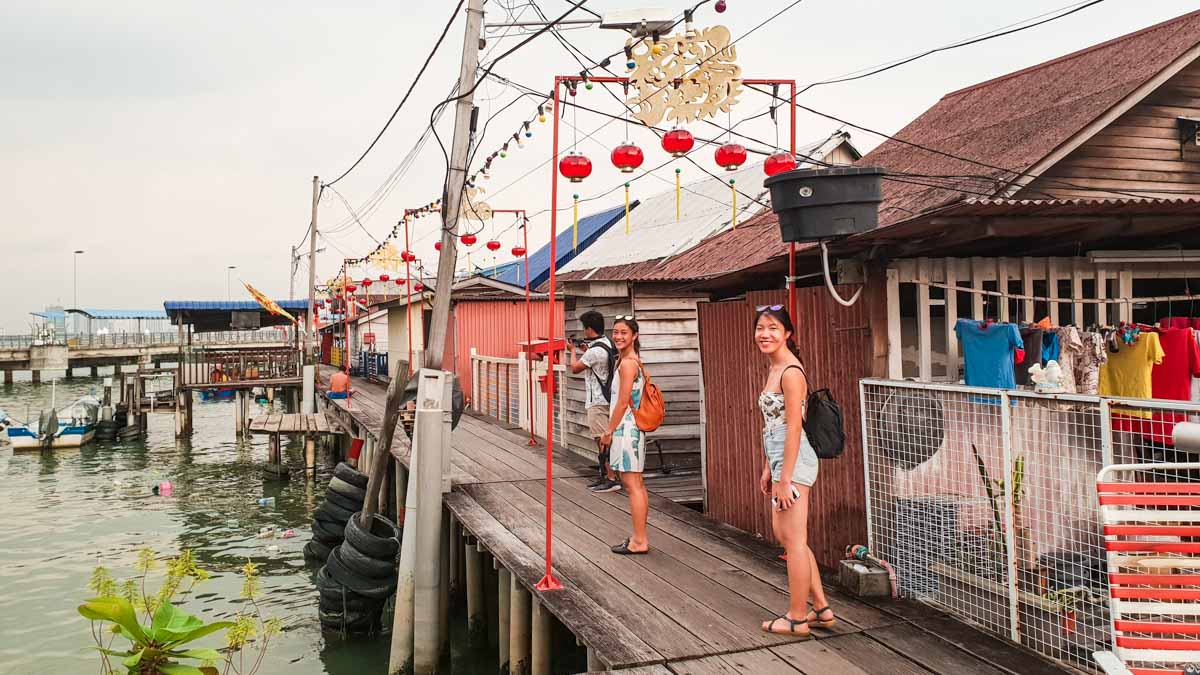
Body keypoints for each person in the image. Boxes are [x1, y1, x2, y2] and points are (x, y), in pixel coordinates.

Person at [754, 305, 834, 638]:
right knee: (788, 535)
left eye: (773, 328)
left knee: (794, 541)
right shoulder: (774, 368)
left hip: (795, 461)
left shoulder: (790, 372)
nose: (765, 334)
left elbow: (793, 430)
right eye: (760, 327)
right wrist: (767, 468)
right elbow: (771, 425)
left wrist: (785, 478)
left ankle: (798, 618)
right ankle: (822, 610)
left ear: (787, 333)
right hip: (781, 460)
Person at [601, 316, 650, 555]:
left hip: (627, 429)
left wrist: (608, 431)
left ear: (634, 336)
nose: (619, 336)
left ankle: (640, 540)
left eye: (624, 333)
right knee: (635, 484)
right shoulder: (629, 360)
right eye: (616, 332)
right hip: (630, 428)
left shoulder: (629, 363)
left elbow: (622, 401)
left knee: (633, 485)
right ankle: (638, 537)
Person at [570, 310, 620, 493]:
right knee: (605, 439)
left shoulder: (595, 350)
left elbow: (575, 368)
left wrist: (572, 352)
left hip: (597, 401)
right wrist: (586, 351)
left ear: (589, 329)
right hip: (608, 399)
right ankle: (605, 476)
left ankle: (612, 479)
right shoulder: (606, 343)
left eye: (584, 328)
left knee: (602, 441)